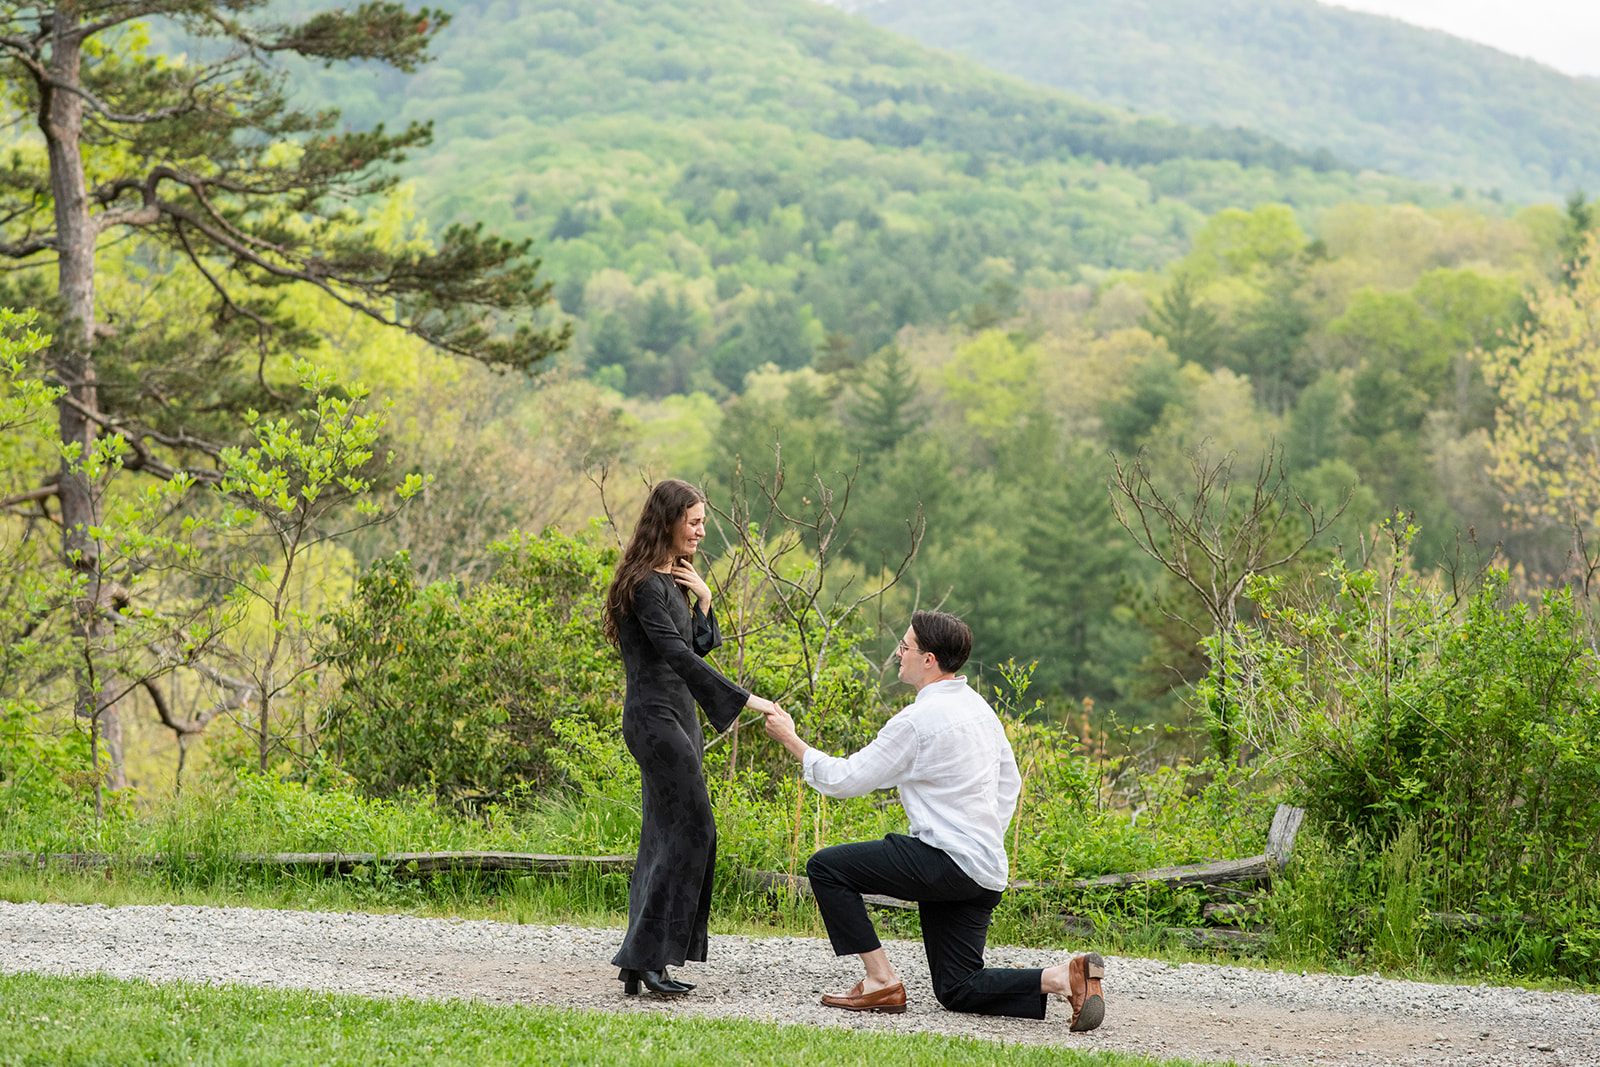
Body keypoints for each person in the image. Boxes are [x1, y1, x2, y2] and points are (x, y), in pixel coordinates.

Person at [761, 609, 1106, 1029]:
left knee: (826, 868)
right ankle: (1062, 978)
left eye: (904, 646)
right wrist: (982, 837)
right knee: (957, 988)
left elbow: (845, 779)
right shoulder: (980, 709)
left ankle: (880, 979)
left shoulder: (917, 721)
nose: (898, 653)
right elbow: (1009, 784)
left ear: (929, 659)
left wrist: (791, 739)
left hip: (945, 862)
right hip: (984, 871)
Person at [604, 478, 780, 997]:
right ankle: (650, 957)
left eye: (703, 521)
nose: (702, 531)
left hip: (677, 719)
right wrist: (746, 699)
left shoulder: (672, 580)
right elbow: (678, 658)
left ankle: (642, 960)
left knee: (663, 836)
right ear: (669, 521)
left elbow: (692, 647)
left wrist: (703, 598)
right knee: (692, 831)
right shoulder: (643, 585)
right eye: (695, 521)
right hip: (655, 721)